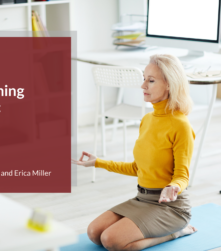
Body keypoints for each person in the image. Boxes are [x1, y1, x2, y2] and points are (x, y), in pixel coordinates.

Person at [72, 54, 198, 251]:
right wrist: (98, 162)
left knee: (112, 241)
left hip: (170, 207)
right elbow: (137, 168)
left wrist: (173, 186)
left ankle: (175, 233)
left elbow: (182, 176)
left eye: (151, 80)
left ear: (169, 84)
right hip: (142, 199)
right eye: (144, 79)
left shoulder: (180, 125)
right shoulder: (147, 120)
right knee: (94, 233)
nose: (143, 86)